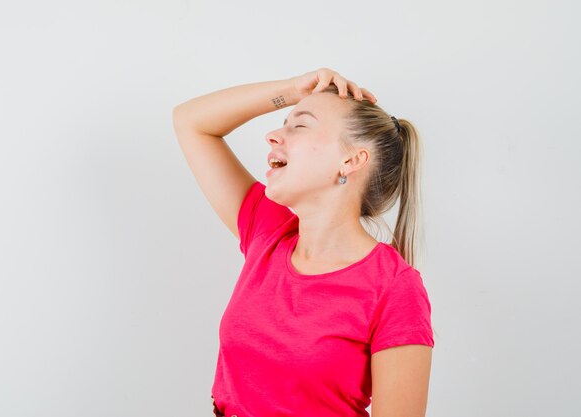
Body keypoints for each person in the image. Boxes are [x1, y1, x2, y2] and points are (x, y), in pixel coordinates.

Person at [172, 68, 435, 417]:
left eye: (300, 125)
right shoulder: (268, 233)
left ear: (352, 160)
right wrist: (294, 90)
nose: (272, 135)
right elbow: (191, 121)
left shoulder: (393, 287)